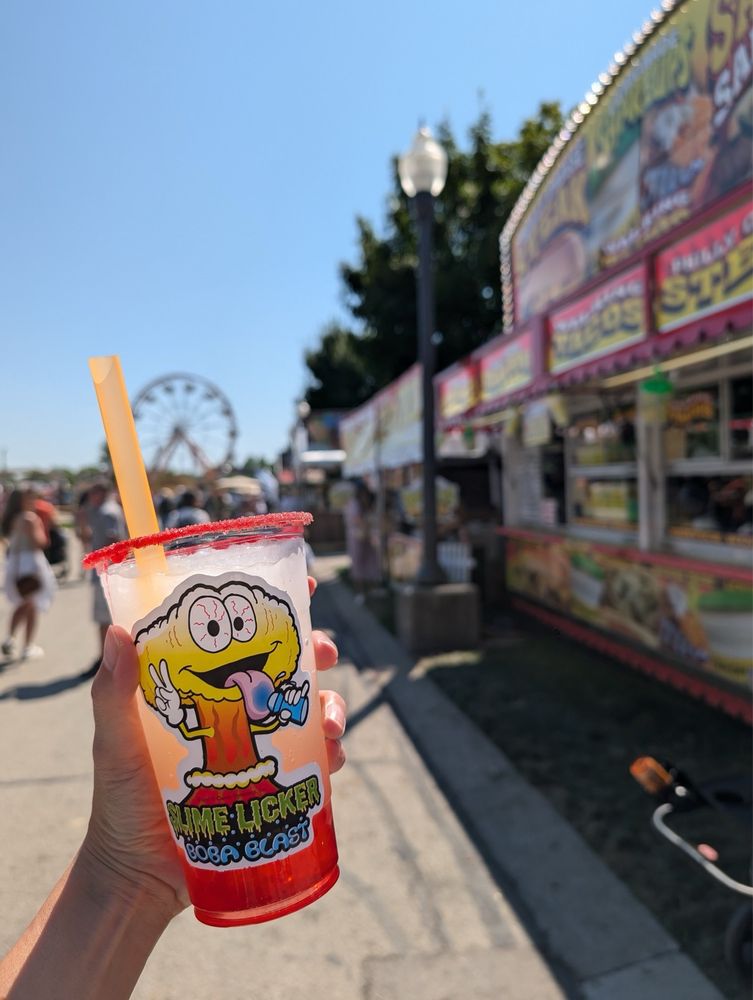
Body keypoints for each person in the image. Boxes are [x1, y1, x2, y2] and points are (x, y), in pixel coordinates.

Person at [0, 589, 346, 998]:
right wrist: (169, 706)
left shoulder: (259, 688)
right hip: (209, 784)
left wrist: (288, 705)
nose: (229, 649)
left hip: (263, 778)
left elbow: (272, 716)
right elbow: (186, 723)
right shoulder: (196, 695)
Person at [1, 488, 57, 660]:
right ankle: (27, 645)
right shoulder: (30, 518)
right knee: (31, 605)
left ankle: (11, 638)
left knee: (24, 603)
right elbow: (40, 542)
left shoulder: (12, 518)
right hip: (31, 563)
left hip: (16, 563)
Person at [82, 483, 126, 678]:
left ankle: (106, 660)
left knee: (105, 620)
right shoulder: (105, 510)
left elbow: (112, 539)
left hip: (106, 572)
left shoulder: (107, 512)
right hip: (108, 572)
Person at [344, 480, 380, 599]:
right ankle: (360, 591)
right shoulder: (354, 504)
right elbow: (357, 519)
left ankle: (371, 589)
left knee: (370, 562)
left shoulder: (364, 503)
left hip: (366, 536)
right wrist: (368, 524)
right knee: (358, 563)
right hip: (356, 537)